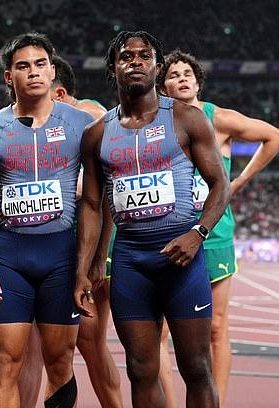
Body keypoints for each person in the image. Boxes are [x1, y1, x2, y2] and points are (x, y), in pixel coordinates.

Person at [74, 31, 230, 407]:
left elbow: (220, 185)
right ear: (113, 68)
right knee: (140, 370)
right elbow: (92, 205)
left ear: (157, 67)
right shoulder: (97, 134)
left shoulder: (187, 118)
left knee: (197, 367)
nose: (136, 62)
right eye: (126, 57)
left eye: (145, 56)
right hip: (131, 263)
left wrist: (198, 233)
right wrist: (84, 268)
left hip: (182, 260)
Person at [0, 32, 94, 408]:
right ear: (10, 77)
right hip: (11, 257)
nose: (34, 72)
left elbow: (93, 200)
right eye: (23, 66)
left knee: (60, 361)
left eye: (41, 64)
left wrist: (86, 266)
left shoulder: (81, 125)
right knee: (6, 362)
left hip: (61, 256)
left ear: (53, 71)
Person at [157, 49, 279, 406]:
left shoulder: (219, 118)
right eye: (173, 75)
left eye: (187, 73)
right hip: (168, 234)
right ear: (163, 88)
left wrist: (238, 182)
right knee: (161, 332)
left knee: (215, 327)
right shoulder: (156, 123)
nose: (182, 78)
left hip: (214, 235)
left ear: (197, 82)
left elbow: (273, 136)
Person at [9, 55, 122, 408]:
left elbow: (102, 187)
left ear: (58, 91)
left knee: (87, 341)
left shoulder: (88, 115)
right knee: (32, 348)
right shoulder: (29, 125)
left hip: (86, 241)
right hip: (46, 242)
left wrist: (97, 257)